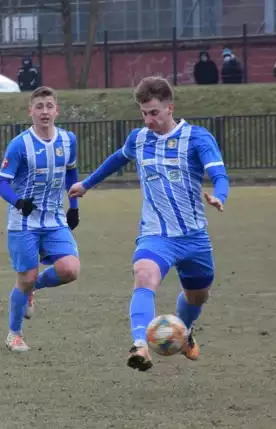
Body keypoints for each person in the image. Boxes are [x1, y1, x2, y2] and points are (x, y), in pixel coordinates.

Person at [68, 76, 230, 371]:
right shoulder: (139, 139)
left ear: (170, 108)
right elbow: (118, 158)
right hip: (156, 234)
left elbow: (218, 173)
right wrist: (87, 184)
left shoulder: (197, 138)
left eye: (154, 112)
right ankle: (140, 345)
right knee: (144, 274)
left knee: (198, 295)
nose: (148, 119)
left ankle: (185, 332)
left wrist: (219, 195)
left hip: (194, 236)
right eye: (144, 113)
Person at [0, 86, 81, 353]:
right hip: (23, 223)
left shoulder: (68, 140)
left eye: (49, 106)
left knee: (70, 269)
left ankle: (33, 289)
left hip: (55, 219)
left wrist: (74, 205)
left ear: (57, 110)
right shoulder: (20, 144)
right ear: (30, 111)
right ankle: (14, 334)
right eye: (39, 107)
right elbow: (1, 184)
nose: (45, 111)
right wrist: (18, 202)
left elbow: (71, 172)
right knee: (26, 277)